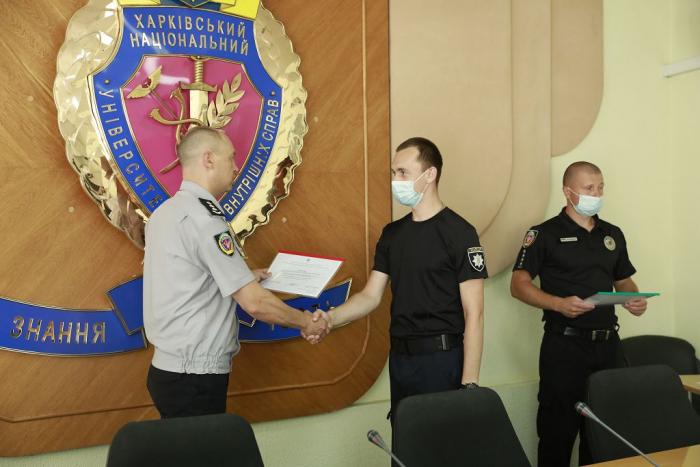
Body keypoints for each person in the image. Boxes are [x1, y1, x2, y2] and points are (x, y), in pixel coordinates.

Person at [143, 127, 328, 419]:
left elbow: (187, 277)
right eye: (231, 157)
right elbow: (255, 303)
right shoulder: (206, 220)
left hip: (169, 371)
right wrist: (306, 322)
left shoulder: (165, 212)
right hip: (195, 379)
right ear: (209, 159)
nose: (236, 166)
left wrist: (243, 276)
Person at [322, 137, 487, 424]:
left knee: (441, 445)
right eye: (393, 172)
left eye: (403, 172)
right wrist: (329, 319)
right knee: (405, 443)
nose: (395, 180)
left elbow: (475, 313)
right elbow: (370, 296)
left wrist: (469, 383)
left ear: (430, 174)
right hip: (401, 361)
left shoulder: (460, 233)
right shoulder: (392, 235)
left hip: (442, 360)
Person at [510, 161, 647, 467]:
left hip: (608, 345)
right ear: (568, 191)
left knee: (603, 434)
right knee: (557, 434)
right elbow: (518, 285)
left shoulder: (612, 234)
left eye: (600, 188)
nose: (595, 194)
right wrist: (558, 304)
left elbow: (624, 281)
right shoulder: (544, 233)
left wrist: (633, 298)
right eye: (588, 188)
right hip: (565, 347)